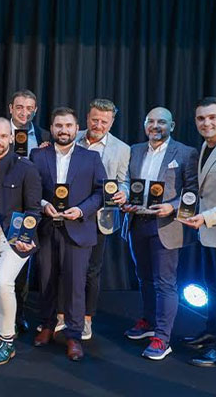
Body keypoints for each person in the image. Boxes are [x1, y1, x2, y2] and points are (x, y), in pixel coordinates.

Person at [120, 106, 198, 360]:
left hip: (166, 225)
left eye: (161, 122)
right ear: (145, 125)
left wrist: (172, 207)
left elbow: (193, 193)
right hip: (137, 223)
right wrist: (124, 200)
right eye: (151, 121)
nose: (155, 126)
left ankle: (162, 338)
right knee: (144, 278)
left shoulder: (186, 153)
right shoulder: (134, 150)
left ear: (171, 126)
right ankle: (149, 322)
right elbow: (126, 183)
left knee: (165, 283)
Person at [31, 107, 106, 361]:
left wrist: (82, 210)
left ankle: (74, 335)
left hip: (78, 229)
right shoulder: (38, 155)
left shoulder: (91, 158)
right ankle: (47, 326)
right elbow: (31, 189)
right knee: (46, 281)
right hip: (47, 227)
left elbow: (101, 192)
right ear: (52, 128)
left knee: (75, 285)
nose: (63, 130)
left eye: (68, 126)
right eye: (59, 125)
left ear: (77, 128)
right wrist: (43, 205)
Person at [0, 118, 41, 366]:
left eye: (3, 136)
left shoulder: (26, 168)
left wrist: (26, 237)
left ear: (12, 138)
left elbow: (34, 210)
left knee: (2, 282)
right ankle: (7, 323)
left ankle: (7, 341)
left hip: (16, 239)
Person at [70, 99, 130, 340]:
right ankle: (62, 315)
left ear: (112, 122)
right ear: (87, 118)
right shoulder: (72, 137)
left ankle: (86, 319)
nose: (98, 125)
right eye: (95, 119)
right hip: (70, 214)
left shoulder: (122, 149)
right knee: (66, 267)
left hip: (99, 218)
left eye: (104, 121)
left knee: (91, 271)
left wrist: (124, 192)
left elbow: (124, 180)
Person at [179, 97, 216, 367]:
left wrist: (206, 217)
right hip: (210, 233)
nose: (206, 123)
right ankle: (212, 331)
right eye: (201, 118)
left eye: (212, 117)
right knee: (214, 288)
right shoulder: (207, 145)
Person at [6, 89, 49, 331]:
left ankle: (18, 314)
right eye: (20, 107)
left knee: (22, 262)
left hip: (30, 208)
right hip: (2, 206)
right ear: (11, 108)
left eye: (29, 108)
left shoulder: (44, 136)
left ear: (35, 110)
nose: (24, 112)